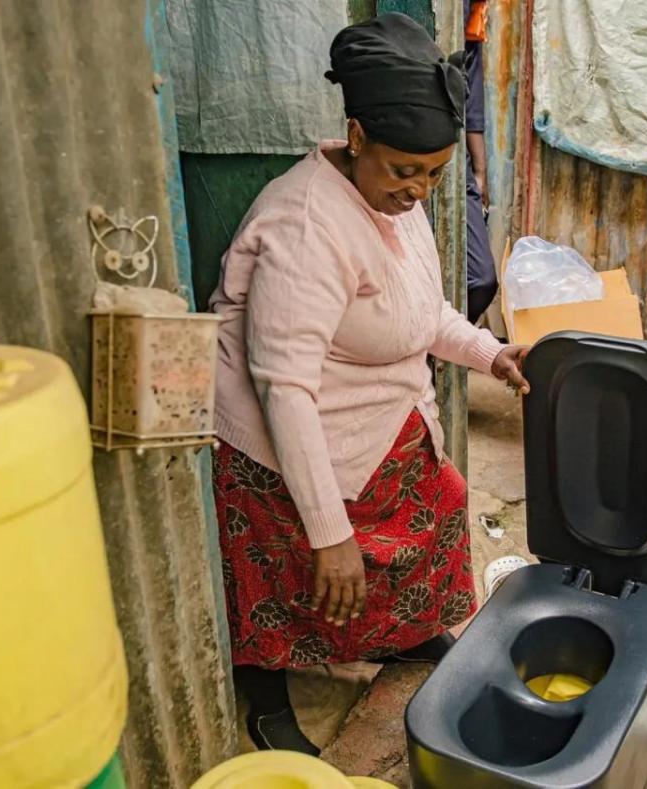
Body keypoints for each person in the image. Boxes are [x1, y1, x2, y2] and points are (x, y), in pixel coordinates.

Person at [208, 12, 530, 755]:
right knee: (295, 576)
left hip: (372, 415)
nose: (418, 190)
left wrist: (489, 353)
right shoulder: (307, 225)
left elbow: (419, 311)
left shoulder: (392, 202)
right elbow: (283, 386)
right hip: (280, 435)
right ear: (355, 138)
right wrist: (330, 532)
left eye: (435, 174)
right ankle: (266, 688)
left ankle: (400, 636)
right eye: (404, 171)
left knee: (441, 501)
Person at [463, 0, 499, 324]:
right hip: (392, 152)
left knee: (482, 279)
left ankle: (438, 357)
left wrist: (479, 170)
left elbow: (471, 93)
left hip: (450, 156)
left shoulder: (472, 8)